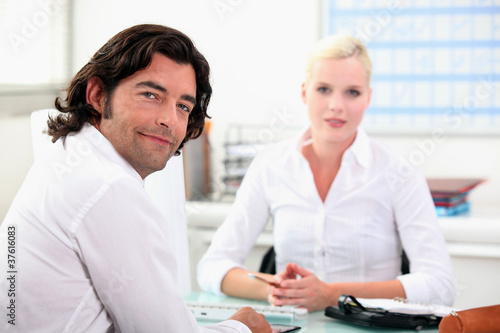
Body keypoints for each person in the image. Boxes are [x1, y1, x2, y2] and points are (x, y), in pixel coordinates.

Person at [0, 24, 270, 333]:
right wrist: (244, 328)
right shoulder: (107, 186)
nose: (169, 119)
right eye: (151, 95)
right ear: (98, 95)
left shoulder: (70, 155)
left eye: (183, 106)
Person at [197, 34, 456, 312]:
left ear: (368, 97)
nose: (336, 105)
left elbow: (440, 286)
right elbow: (212, 267)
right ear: (304, 92)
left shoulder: (399, 171)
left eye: (352, 92)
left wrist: (332, 294)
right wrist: (279, 290)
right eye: (323, 89)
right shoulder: (270, 165)